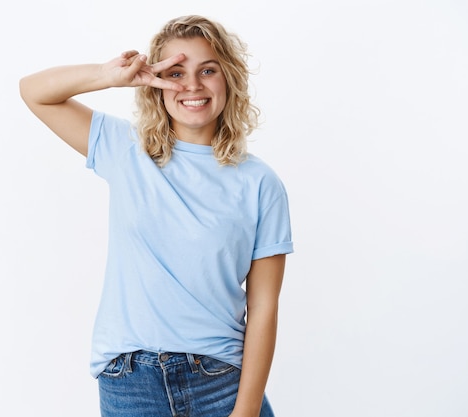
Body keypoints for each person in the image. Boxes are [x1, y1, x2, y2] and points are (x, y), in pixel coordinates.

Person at [19, 15, 293, 417]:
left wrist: (246, 410)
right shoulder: (124, 150)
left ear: (228, 79)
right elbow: (34, 91)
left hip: (221, 385)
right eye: (176, 72)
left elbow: (264, 308)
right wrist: (109, 75)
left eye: (208, 70)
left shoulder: (259, 183)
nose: (192, 85)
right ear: (156, 83)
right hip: (131, 385)